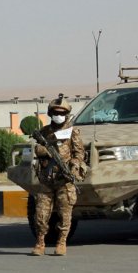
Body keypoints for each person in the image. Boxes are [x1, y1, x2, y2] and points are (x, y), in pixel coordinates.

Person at [31, 94, 86, 256]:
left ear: (67, 114)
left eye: (62, 113)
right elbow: (37, 149)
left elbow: (79, 153)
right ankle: (40, 243)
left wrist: (74, 165)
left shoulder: (72, 132)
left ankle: (61, 242)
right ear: (50, 114)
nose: (58, 116)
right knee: (41, 214)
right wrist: (46, 151)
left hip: (64, 179)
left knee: (65, 213)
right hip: (47, 179)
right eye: (56, 112)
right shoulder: (44, 132)